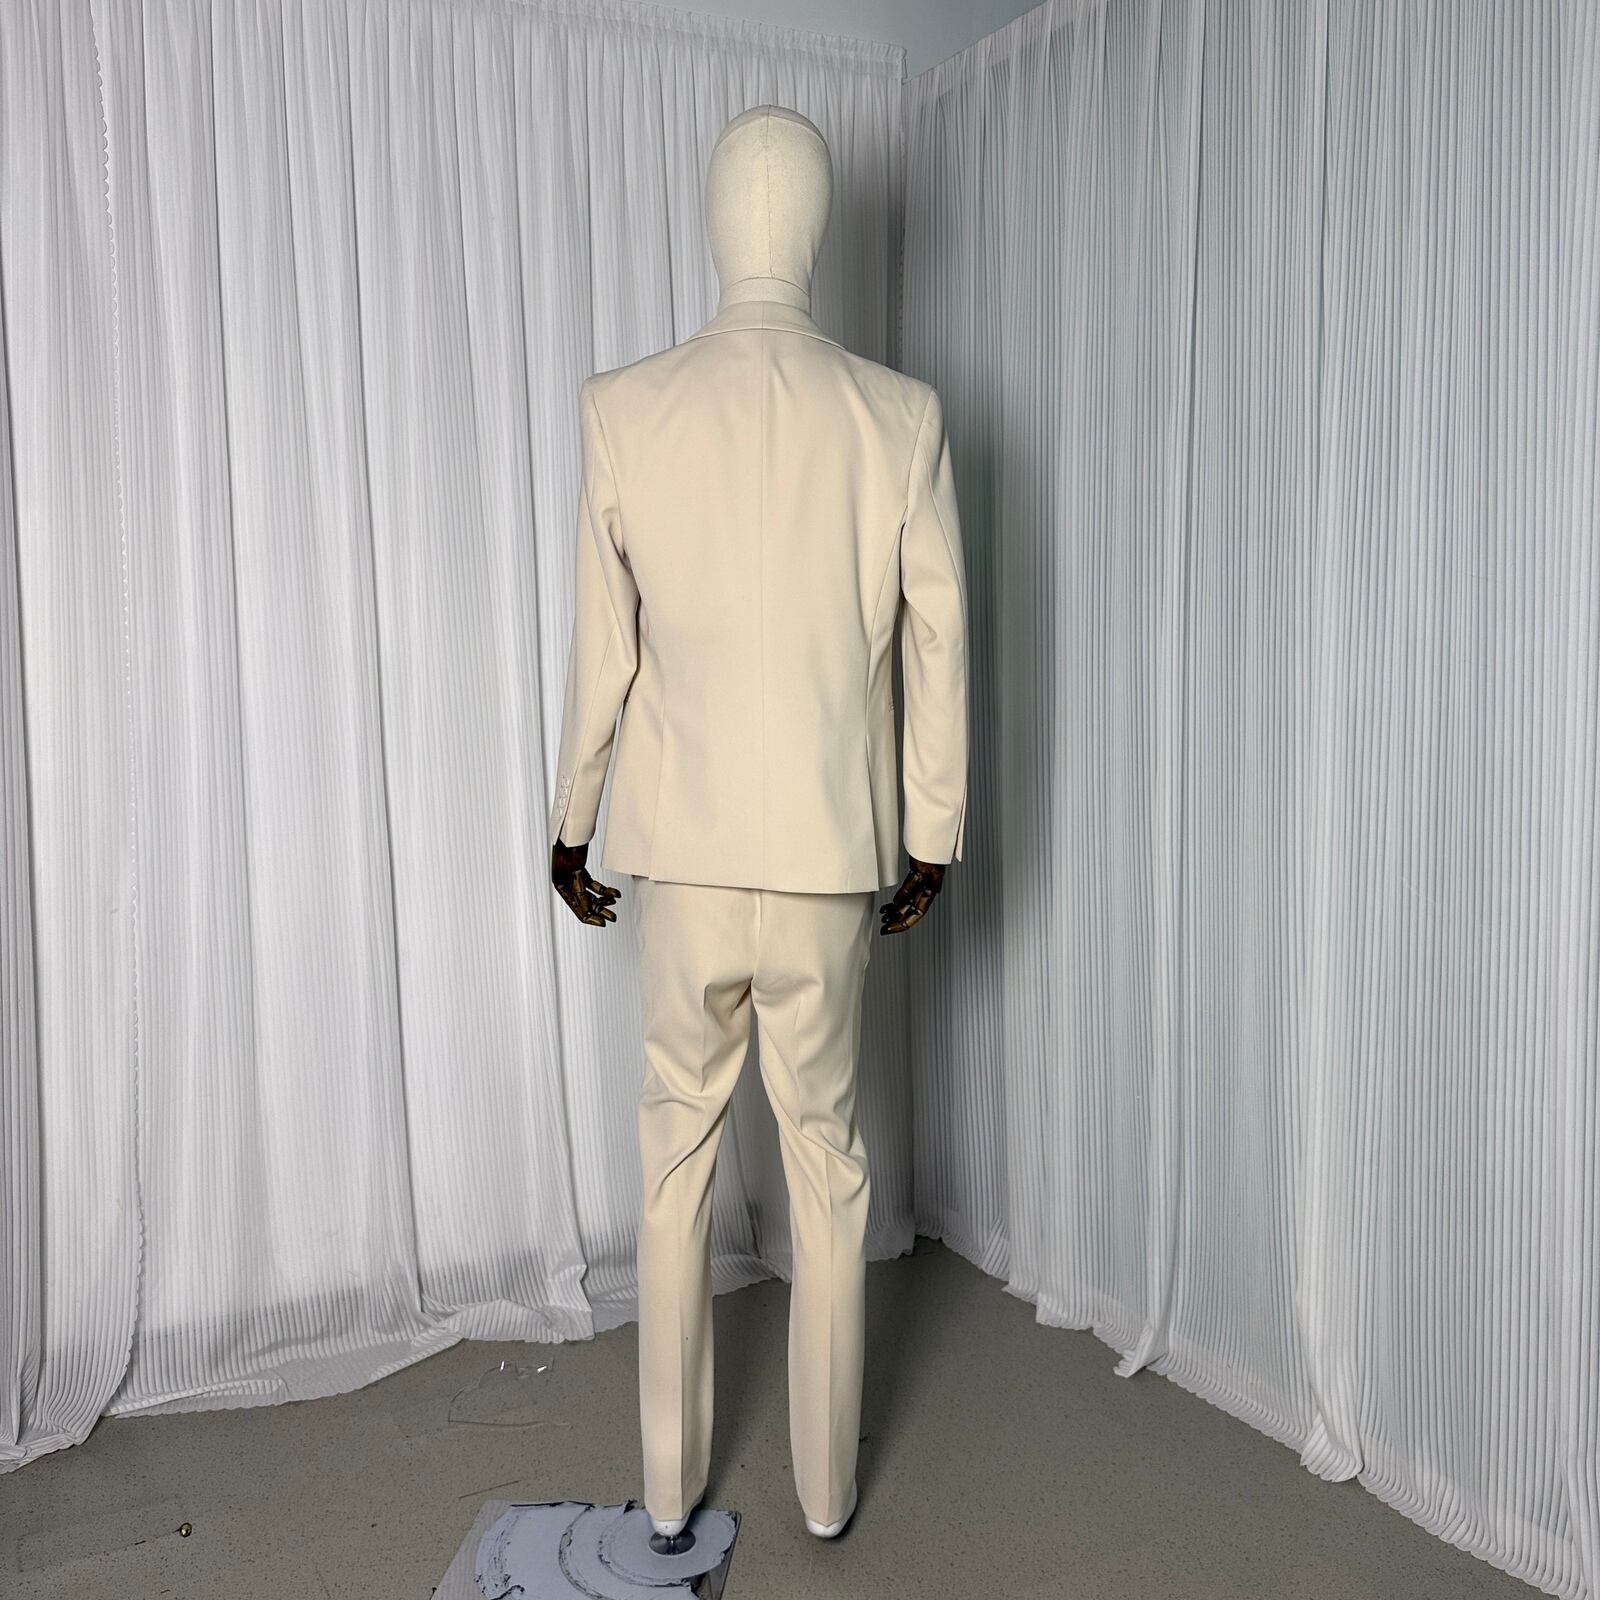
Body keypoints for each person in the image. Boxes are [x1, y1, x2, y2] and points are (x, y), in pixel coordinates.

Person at [546, 104, 969, 1545]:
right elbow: (938, 643)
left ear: (720, 220)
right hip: (827, 865)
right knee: (829, 1166)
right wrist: (931, 831)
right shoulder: (896, 416)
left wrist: (572, 820)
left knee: (673, 1158)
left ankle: (669, 1488)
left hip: (680, 861)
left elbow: (604, 653)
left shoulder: (626, 406)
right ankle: (829, 1492)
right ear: (815, 227)